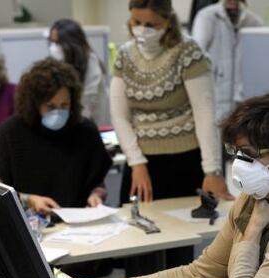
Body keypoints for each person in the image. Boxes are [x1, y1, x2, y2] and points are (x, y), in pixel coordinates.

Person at [60, 94, 269, 278]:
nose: (240, 163)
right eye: (236, 153)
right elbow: (199, 274)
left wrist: (251, 235)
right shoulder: (251, 202)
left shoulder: (254, 213)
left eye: (250, 154)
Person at [111, 0, 233, 205]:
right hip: (141, 164)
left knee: (187, 230)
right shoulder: (124, 55)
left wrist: (212, 170)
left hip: (185, 160)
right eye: (136, 22)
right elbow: (120, 116)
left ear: (167, 20)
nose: (142, 30)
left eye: (151, 25)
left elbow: (204, 113)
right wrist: (136, 163)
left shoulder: (187, 51)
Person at [0, 58, 112, 215]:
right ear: (34, 103)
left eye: (64, 105)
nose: (58, 112)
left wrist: (96, 195)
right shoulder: (11, 131)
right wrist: (30, 200)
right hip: (29, 223)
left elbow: (98, 182)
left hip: (78, 223)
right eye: (50, 106)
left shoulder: (85, 130)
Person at [192, 0, 263, 123]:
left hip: (243, 99)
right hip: (214, 95)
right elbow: (197, 55)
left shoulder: (254, 22)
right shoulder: (207, 17)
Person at [48, 18, 110, 126]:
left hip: (94, 124)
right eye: (52, 41)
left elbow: (85, 106)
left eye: (57, 42)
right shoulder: (58, 64)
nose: (53, 47)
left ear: (71, 43)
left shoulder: (90, 63)